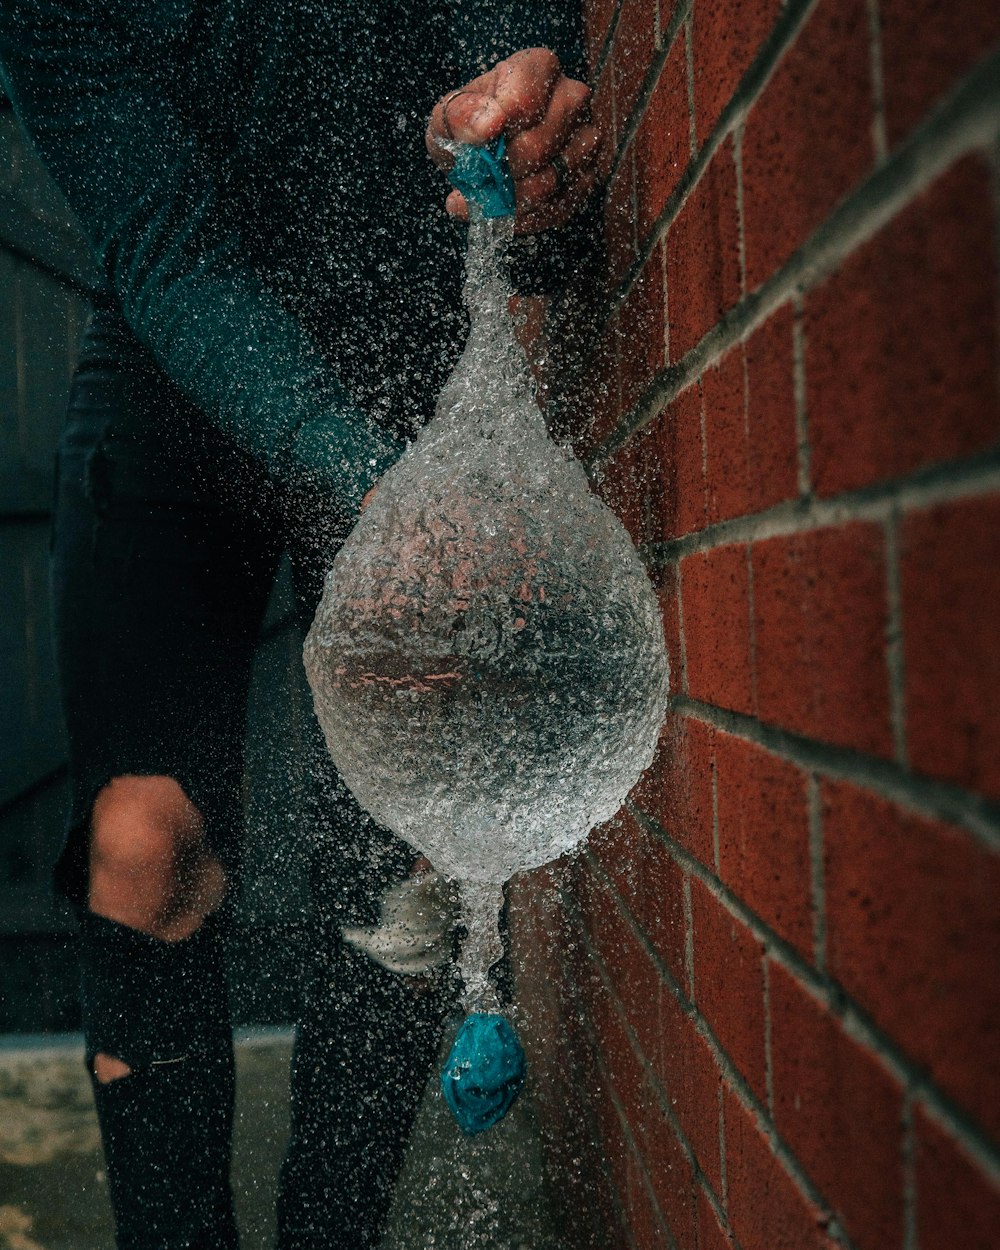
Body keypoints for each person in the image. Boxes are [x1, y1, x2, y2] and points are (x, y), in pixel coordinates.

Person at [0, 2, 604, 1247]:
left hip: (408, 343)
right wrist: (367, 478)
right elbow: (170, 253)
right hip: (173, 381)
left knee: (401, 865)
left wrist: (497, 109)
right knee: (139, 843)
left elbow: (505, 57)